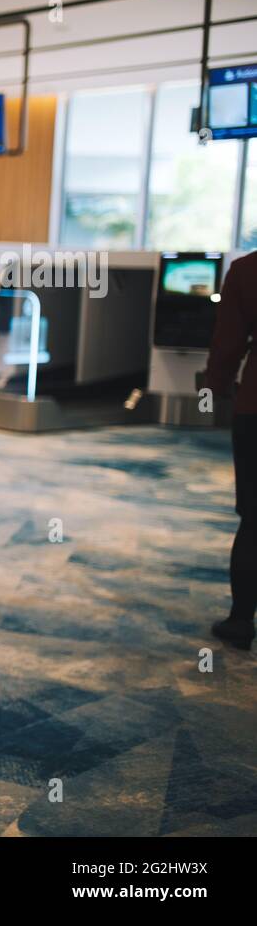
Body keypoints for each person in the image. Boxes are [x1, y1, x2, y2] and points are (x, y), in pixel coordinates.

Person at [205, 251, 256, 650]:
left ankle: (241, 621)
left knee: (254, 518)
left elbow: (228, 344)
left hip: (255, 409)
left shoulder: (245, 270)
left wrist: (215, 385)